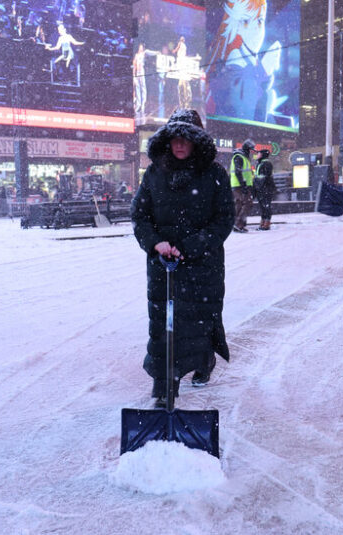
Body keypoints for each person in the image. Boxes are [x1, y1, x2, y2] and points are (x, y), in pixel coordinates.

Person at [130, 109, 234, 407]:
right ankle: (164, 386)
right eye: (174, 138)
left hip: (202, 265)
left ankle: (203, 362)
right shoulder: (154, 174)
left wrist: (190, 247)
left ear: (196, 142)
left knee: (199, 319)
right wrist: (156, 243)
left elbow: (224, 219)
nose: (179, 144)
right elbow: (139, 215)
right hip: (163, 264)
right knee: (163, 325)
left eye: (186, 139)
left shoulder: (215, 174)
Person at [229, 139, 255, 232]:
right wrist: (243, 184)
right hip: (239, 185)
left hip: (241, 184)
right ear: (247, 148)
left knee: (240, 204)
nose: (252, 151)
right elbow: (238, 172)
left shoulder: (244, 157)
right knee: (247, 203)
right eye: (251, 149)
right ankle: (238, 224)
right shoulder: (239, 157)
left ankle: (238, 224)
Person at [253, 148, 277, 230]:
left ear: (262, 155)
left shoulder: (266, 163)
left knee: (266, 206)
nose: (257, 155)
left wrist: (258, 184)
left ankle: (266, 223)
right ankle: (263, 222)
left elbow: (265, 177)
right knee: (263, 206)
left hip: (265, 188)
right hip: (261, 188)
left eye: (259, 153)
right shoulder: (260, 163)